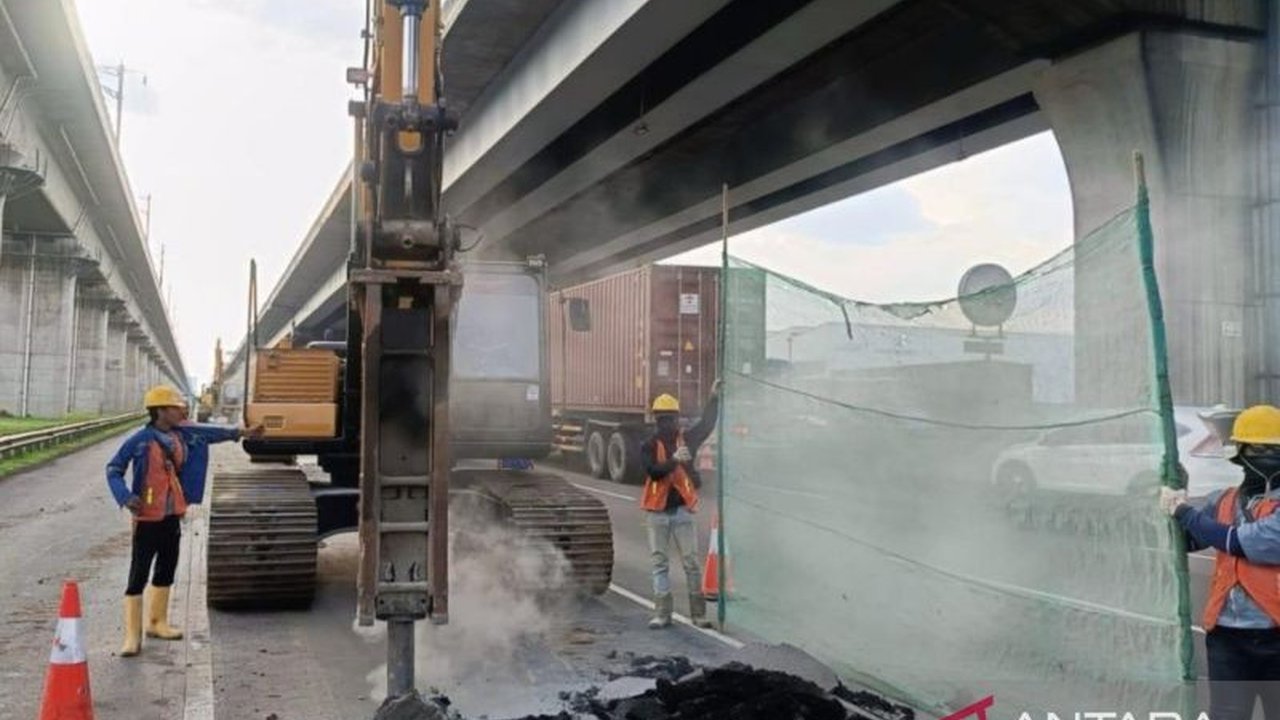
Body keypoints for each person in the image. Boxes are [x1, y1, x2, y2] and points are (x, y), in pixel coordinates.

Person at [106, 385, 264, 657]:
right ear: (160, 411)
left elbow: (213, 433)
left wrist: (242, 432)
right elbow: (114, 468)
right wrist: (125, 496)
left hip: (172, 515)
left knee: (166, 568)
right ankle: (132, 636)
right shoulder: (140, 440)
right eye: (176, 407)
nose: (183, 411)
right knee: (138, 574)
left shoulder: (184, 434)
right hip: (147, 518)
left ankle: (157, 622)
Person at [1162, 404, 1280, 720]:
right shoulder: (1224, 500)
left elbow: (1236, 542)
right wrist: (1177, 494)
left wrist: (1184, 512)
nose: (1267, 456)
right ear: (1240, 454)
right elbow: (1189, 541)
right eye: (1257, 449)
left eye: (1272, 450)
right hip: (1228, 639)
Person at [640, 380, 720, 629]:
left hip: (682, 511)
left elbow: (706, 424)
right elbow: (653, 472)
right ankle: (663, 614)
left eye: (670, 419)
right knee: (659, 564)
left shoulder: (687, 440)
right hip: (657, 513)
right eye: (663, 419)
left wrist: (714, 398)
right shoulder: (649, 445)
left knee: (691, 564)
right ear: (657, 420)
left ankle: (698, 614)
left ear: (676, 419)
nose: (667, 423)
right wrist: (674, 459)